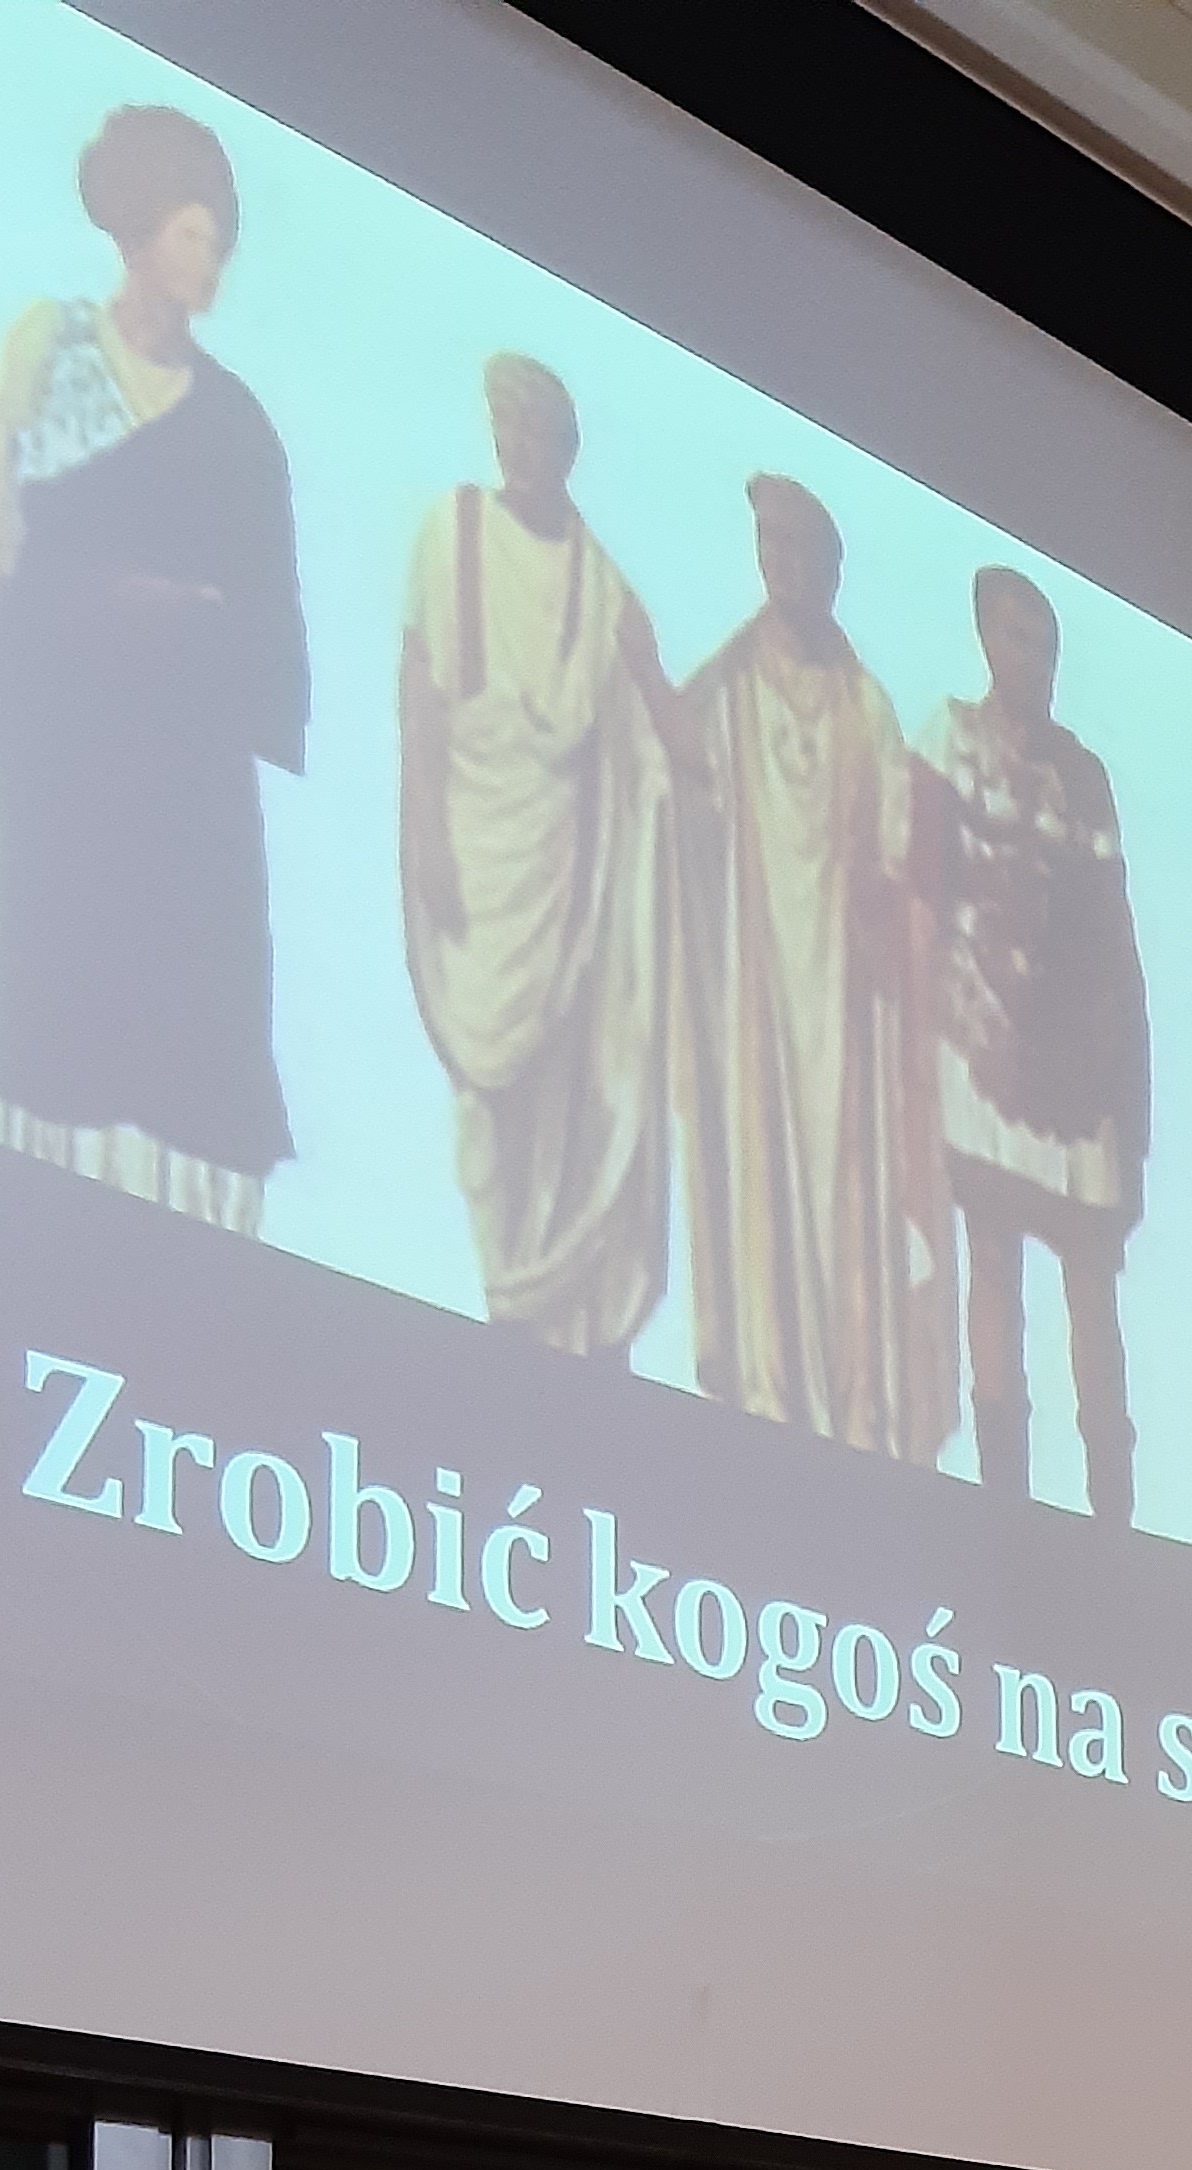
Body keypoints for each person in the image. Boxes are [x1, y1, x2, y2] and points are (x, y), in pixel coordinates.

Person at [0, 105, 308, 1236]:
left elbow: (265, 615)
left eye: (222, 242)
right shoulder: (54, 348)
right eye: (195, 235)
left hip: (187, 777)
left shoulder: (240, 423)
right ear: (140, 231)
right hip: (67, 746)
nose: (211, 263)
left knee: (194, 1017)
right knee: (62, 1004)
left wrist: (189, 617)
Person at [400, 353, 688, 1360]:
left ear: (567, 448)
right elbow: (421, 692)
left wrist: (652, 678)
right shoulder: (453, 530)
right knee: (485, 1099)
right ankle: (500, 1290)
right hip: (479, 853)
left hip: (566, 882)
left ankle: (544, 1304)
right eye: (506, 424)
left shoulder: (600, 583)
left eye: (536, 429)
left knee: (556, 1096)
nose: (517, 445)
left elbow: (662, 738)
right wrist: (427, 834)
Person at [678, 476, 949, 1461]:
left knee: (848, 1199)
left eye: (799, 548)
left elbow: (897, 862)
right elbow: (677, 802)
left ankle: (854, 1406)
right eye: (769, 545)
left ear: (831, 569)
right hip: (755, 982)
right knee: (760, 1178)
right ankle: (768, 1391)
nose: (782, 565)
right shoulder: (724, 689)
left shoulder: (865, 704)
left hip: (846, 1008)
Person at [911, 567, 1148, 1522]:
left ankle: (1113, 1516)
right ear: (985, 639)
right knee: (994, 1261)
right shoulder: (948, 738)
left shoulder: (1084, 776)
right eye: (1016, 639)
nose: (1033, 662)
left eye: (1046, 646)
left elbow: (1115, 932)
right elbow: (922, 890)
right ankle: (1004, 1509)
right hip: (983, 1040)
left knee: (1091, 1280)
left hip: (1076, 1056)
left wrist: (1128, 1093)